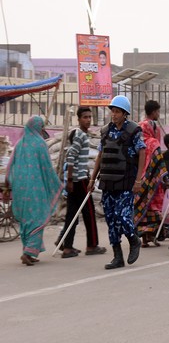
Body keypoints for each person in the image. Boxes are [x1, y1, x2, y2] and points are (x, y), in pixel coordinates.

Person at [89, 95, 145, 269]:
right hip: (108, 182)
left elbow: (142, 152)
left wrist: (138, 180)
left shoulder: (133, 131)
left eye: (118, 111)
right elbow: (100, 155)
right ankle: (117, 256)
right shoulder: (106, 132)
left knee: (122, 216)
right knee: (111, 219)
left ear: (125, 113)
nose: (114, 114)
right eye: (113, 111)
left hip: (126, 182)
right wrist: (92, 178)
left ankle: (134, 240)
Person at [5, 116, 63, 266]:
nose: (43, 129)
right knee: (37, 218)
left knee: (26, 220)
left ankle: (29, 251)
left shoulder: (19, 144)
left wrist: (8, 183)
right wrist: (56, 183)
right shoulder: (40, 144)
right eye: (42, 126)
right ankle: (28, 252)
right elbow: (47, 167)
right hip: (35, 189)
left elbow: (10, 165)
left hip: (20, 188)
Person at [59, 107, 107, 258]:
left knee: (72, 213)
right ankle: (92, 245)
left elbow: (79, 159)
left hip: (79, 178)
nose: (88, 120)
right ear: (79, 119)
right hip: (79, 181)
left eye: (89, 117)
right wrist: (71, 179)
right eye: (85, 117)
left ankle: (67, 246)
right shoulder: (80, 135)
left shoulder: (82, 135)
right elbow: (71, 156)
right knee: (89, 213)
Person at [133, 116, 169, 247]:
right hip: (153, 183)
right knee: (153, 209)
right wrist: (166, 179)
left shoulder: (136, 142)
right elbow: (160, 162)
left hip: (139, 182)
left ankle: (144, 239)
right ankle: (152, 235)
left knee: (141, 208)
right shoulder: (154, 143)